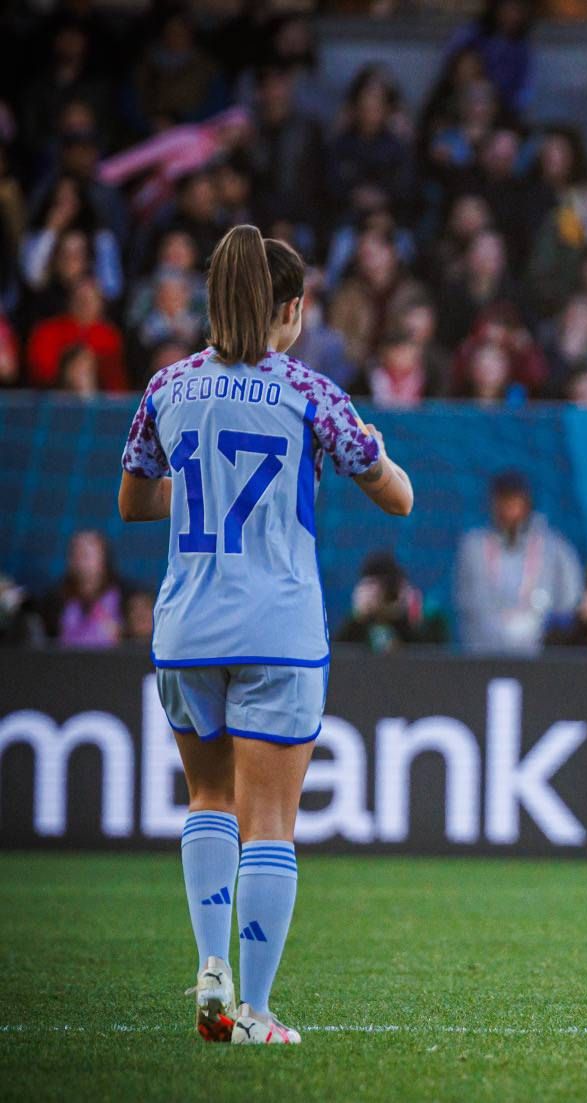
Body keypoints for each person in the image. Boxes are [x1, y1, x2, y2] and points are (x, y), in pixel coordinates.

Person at [118, 227, 414, 1046]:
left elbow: (132, 502)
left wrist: (197, 478)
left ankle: (210, 967)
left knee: (207, 798)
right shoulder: (310, 392)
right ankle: (253, 1012)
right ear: (292, 308)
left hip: (186, 625)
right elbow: (399, 499)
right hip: (277, 630)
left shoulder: (168, 387)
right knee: (272, 823)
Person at [453, 471, 584, 654]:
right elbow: (468, 605)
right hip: (485, 656)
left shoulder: (556, 549)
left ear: (526, 503)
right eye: (503, 501)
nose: (508, 509)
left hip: (541, 658)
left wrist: (538, 632)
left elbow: (569, 605)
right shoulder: (473, 547)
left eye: (514, 501)